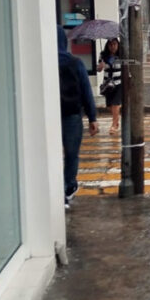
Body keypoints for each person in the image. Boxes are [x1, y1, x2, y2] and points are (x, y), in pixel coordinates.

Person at [58, 26, 98, 208]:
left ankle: (54, 188)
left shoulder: (43, 62)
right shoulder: (76, 63)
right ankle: (68, 187)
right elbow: (86, 91)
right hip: (72, 116)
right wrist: (92, 118)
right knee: (71, 154)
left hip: (49, 116)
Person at [97, 38, 122, 135]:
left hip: (118, 83)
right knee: (110, 105)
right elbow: (98, 69)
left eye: (115, 44)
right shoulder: (103, 55)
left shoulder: (121, 55)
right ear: (107, 46)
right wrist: (100, 66)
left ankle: (114, 125)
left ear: (118, 45)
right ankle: (116, 121)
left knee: (115, 104)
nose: (113, 47)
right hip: (107, 84)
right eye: (110, 44)